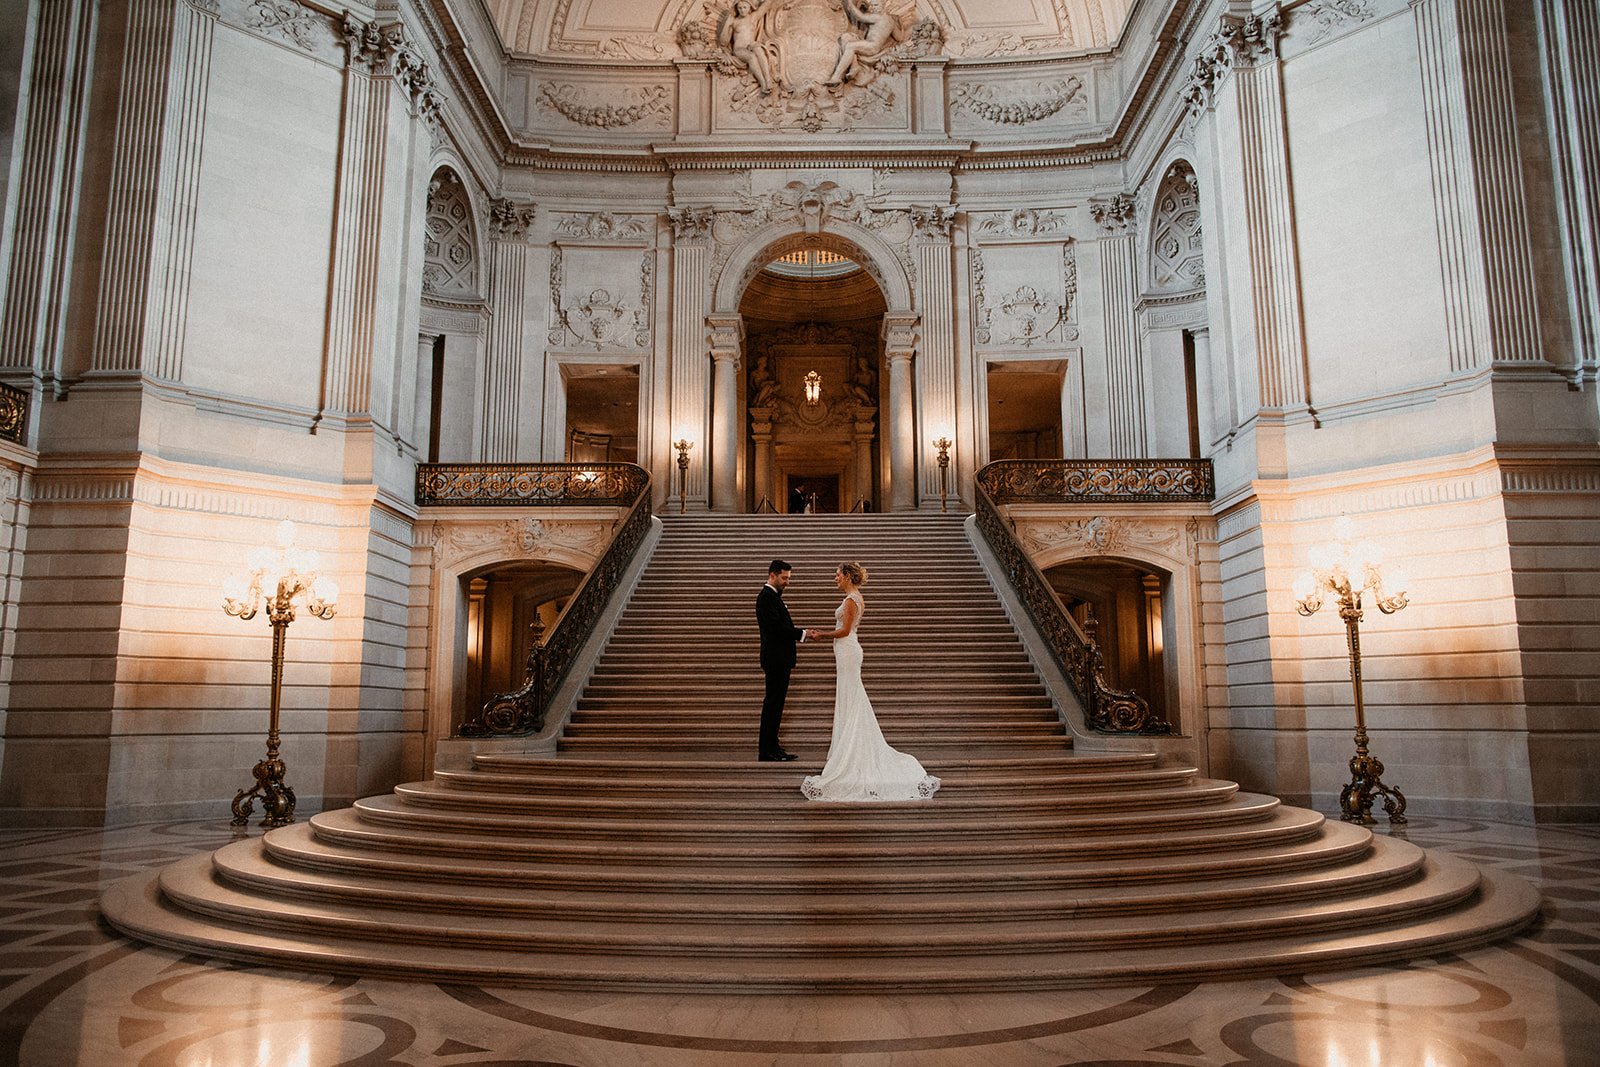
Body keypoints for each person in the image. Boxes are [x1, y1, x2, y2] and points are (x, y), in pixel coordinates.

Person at [801, 562, 940, 801]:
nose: (835, 578)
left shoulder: (851, 600)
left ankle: (852, 755)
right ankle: (847, 748)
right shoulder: (853, 598)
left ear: (846, 576)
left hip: (848, 650)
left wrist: (820, 634)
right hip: (845, 652)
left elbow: (845, 630)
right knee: (850, 696)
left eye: (837, 574)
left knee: (852, 697)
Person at [755, 559, 806, 761]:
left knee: (776, 705)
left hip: (779, 659)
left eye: (788, 578)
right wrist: (803, 633)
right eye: (784, 578)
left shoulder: (772, 597)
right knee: (773, 705)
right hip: (775, 659)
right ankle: (767, 750)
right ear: (772, 575)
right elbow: (775, 629)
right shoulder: (767, 597)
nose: (787, 582)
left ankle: (772, 747)